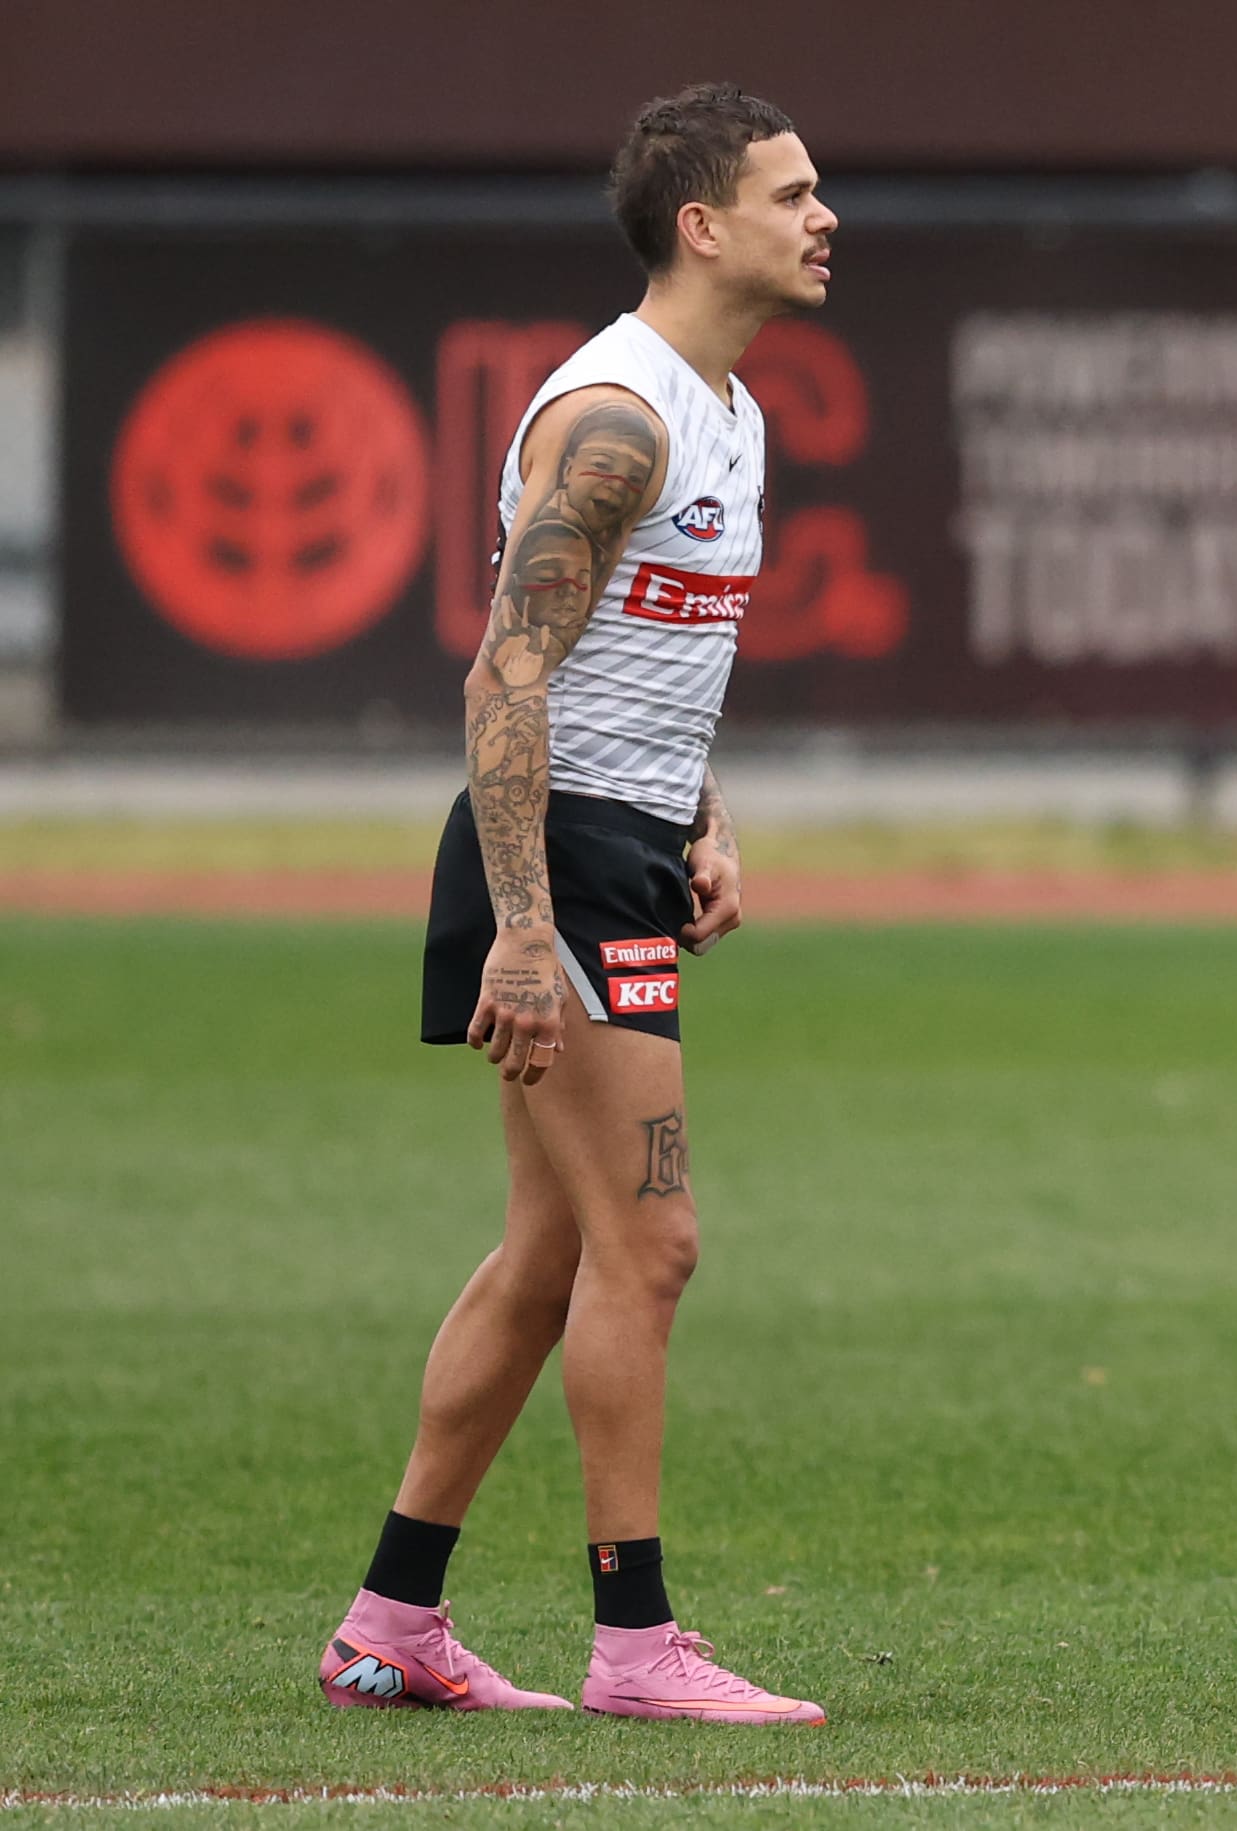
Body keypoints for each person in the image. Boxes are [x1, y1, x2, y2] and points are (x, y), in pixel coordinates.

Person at [318, 83, 838, 1725]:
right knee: (656, 1242)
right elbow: (507, 672)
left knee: (555, 1254)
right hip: (547, 855)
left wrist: (707, 815)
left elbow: (652, 654)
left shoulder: (731, 409)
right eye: (792, 193)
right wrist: (528, 929)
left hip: (613, 841)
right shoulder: (616, 419)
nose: (825, 218)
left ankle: (393, 1623)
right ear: (701, 224)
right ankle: (637, 1647)